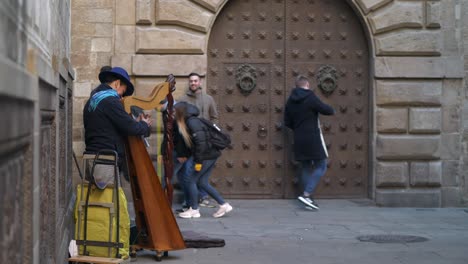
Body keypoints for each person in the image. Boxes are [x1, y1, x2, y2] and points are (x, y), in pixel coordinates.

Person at [83, 66, 152, 186]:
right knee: (107, 201)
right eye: (123, 91)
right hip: (104, 160)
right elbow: (131, 127)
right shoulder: (110, 101)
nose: (121, 97)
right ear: (117, 83)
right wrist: (144, 125)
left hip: (96, 156)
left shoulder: (94, 99)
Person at [284, 75, 335, 210]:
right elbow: (327, 110)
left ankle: (308, 201)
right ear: (307, 85)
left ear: (296, 86)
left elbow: (287, 122)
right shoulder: (310, 96)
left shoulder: (290, 101)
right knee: (321, 165)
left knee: (306, 167)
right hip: (313, 137)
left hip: (299, 138)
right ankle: (306, 195)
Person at [174, 102, 232, 218]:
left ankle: (194, 209)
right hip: (209, 155)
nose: (173, 114)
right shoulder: (191, 121)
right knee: (202, 182)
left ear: (180, 112)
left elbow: (201, 143)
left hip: (205, 156)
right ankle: (223, 204)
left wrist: (199, 162)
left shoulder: (192, 122)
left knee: (190, 180)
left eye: (174, 111)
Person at [178, 72, 219, 207]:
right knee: (187, 171)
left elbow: (214, 117)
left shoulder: (208, 99)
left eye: (195, 81)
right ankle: (190, 199)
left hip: (203, 141)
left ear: (200, 82)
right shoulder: (183, 99)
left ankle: (202, 198)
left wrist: (211, 131)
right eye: (191, 81)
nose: (193, 83)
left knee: (199, 171)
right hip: (188, 141)